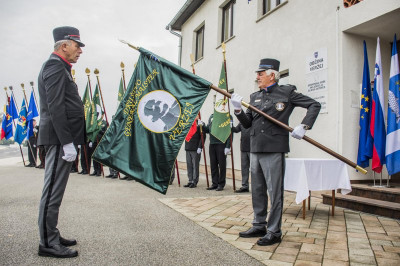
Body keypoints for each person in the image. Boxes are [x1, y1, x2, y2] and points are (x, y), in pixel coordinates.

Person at [231, 58, 321, 246]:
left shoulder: (286, 92)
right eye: (257, 74)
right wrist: (238, 110)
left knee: (274, 191)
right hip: (255, 148)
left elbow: (314, 104)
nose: (257, 77)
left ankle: (274, 231)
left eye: (260, 73)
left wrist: (304, 125)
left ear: (272, 75)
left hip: (274, 147)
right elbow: (247, 124)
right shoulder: (255, 96)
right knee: (257, 190)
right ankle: (259, 224)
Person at [37, 26, 85, 258]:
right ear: (64, 45)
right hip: (58, 139)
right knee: (52, 192)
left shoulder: (61, 67)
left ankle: (51, 233)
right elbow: (55, 106)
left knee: (56, 190)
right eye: (77, 46)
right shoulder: (54, 66)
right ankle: (47, 242)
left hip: (61, 138)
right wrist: (66, 141)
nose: (80, 51)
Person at [199, 114, 232, 191]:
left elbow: (230, 132)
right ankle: (215, 183)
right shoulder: (211, 116)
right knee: (213, 164)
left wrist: (228, 146)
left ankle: (221, 184)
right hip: (212, 143)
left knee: (222, 165)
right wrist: (202, 126)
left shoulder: (227, 115)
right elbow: (208, 130)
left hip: (221, 143)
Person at [184, 114, 206, 188]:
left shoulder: (200, 124)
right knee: (189, 165)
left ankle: (194, 181)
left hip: (195, 148)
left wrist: (200, 147)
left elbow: (203, 137)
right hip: (188, 147)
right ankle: (190, 180)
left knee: (195, 165)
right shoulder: (188, 123)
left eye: (196, 114)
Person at [232, 122, 251, 193]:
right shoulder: (242, 122)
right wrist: (231, 126)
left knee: (255, 169)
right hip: (243, 148)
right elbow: (236, 130)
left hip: (252, 148)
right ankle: (245, 186)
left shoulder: (253, 121)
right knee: (244, 168)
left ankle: (257, 186)